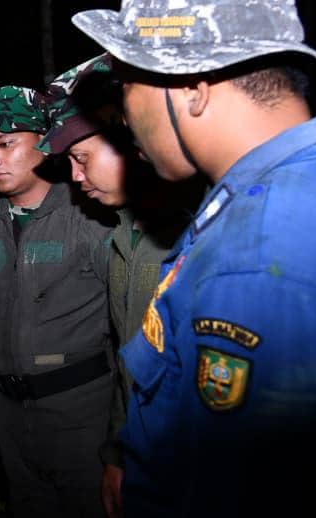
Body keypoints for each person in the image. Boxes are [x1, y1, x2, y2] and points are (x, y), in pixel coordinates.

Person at [70, 0, 316, 516]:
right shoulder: (292, 197)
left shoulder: (263, 258)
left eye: (128, 85)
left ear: (190, 87)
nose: (127, 116)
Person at [36, 56, 200, 518]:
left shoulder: (194, 233)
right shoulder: (122, 236)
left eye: (81, 157)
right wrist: (116, 455)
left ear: (127, 135)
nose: (75, 176)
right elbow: (129, 364)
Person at [0, 85, 115, 518]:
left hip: (83, 412)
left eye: (7, 144)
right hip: (9, 413)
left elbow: (132, 327)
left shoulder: (90, 215)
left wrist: (121, 438)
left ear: (46, 144)